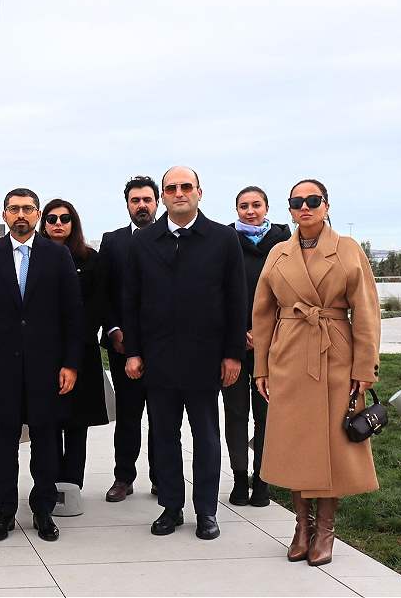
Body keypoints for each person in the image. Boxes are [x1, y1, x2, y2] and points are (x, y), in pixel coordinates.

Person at [253, 179, 379, 567]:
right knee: (295, 443)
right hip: (289, 354)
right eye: (296, 201)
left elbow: (367, 309)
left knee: (331, 444)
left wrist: (365, 367)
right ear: (289, 209)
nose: (304, 207)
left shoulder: (347, 249)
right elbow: (261, 312)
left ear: (326, 205)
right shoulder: (278, 252)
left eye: (312, 200)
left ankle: (325, 528)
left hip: (335, 352)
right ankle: (301, 527)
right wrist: (261, 367)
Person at [123, 166, 247, 541]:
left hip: (206, 359)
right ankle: (172, 507)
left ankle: (206, 511)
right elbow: (130, 301)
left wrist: (232, 354)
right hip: (158, 359)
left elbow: (236, 300)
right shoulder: (143, 242)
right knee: (164, 436)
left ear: (199, 193)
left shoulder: (224, 240)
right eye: (171, 188)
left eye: (186, 187)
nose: (179, 193)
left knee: (207, 438)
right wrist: (133, 352)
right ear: (163, 197)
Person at [0, 188, 84, 542]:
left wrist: (71, 364)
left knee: (46, 444)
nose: (21, 215)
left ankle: (43, 510)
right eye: (14, 209)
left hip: (47, 370)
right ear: (4, 215)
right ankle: (4, 512)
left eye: (27, 209)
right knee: (3, 444)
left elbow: (73, 314)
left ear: (37, 215)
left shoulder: (58, 256)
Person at [226, 186, 290, 507]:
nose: (250, 211)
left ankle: (262, 481)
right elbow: (216, 292)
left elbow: (292, 293)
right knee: (236, 412)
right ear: (236, 209)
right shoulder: (224, 241)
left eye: (256, 205)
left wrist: (265, 333)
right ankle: (239, 479)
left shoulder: (284, 241)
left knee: (266, 415)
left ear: (267, 206)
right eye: (243, 206)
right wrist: (238, 333)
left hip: (274, 344)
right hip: (235, 346)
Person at [39, 198, 108, 493]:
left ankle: (72, 487)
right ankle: (51, 486)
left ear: (74, 223)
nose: (58, 223)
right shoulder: (34, 258)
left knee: (78, 425)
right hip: (44, 354)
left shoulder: (92, 259)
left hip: (82, 353)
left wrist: (72, 349)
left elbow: (95, 307)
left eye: (65, 218)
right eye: (52, 218)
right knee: (49, 424)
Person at [100, 176, 159, 503]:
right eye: (135, 200)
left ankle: (160, 477)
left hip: (163, 346)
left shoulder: (172, 238)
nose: (141, 205)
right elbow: (105, 293)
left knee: (163, 418)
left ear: (157, 203)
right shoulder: (113, 241)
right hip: (124, 346)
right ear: (127, 205)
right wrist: (113, 330)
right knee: (128, 416)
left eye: (147, 199)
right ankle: (123, 477)